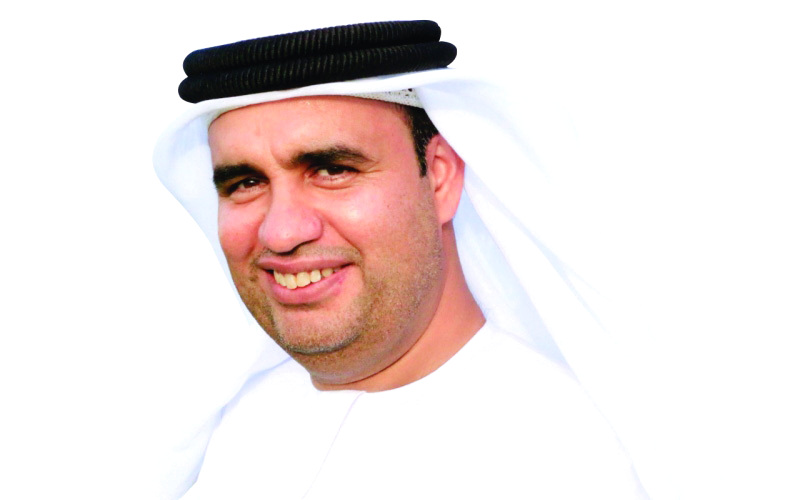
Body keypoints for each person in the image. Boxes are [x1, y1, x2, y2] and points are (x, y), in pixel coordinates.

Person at [155, 20, 648, 499]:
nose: (280, 232)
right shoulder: (235, 424)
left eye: (332, 169)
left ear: (439, 178)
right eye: (245, 183)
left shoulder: (566, 460)